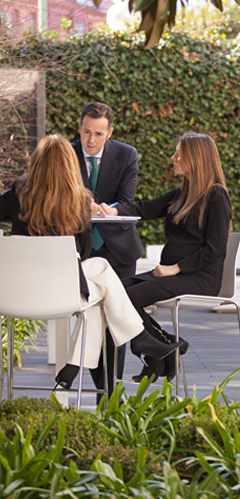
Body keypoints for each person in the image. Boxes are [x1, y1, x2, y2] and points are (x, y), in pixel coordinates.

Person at [0, 134, 184, 391]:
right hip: (65, 293)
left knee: (99, 290)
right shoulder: (78, 200)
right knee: (101, 271)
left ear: (36, 164)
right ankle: (140, 340)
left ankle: (79, 364)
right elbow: (85, 251)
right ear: (69, 165)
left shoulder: (19, 192)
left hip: (20, 293)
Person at [98, 132, 233, 382]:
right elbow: (145, 208)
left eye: (179, 152)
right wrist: (113, 209)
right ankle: (162, 348)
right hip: (174, 273)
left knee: (123, 295)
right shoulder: (183, 192)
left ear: (196, 158)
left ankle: (158, 350)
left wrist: (176, 268)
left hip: (200, 276)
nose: (173, 157)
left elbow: (215, 249)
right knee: (112, 290)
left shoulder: (216, 195)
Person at [72, 102, 143, 398]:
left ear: (109, 133)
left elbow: (127, 200)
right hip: (83, 252)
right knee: (89, 322)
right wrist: (81, 204)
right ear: (79, 128)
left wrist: (109, 209)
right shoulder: (67, 154)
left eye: (98, 134)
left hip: (119, 251)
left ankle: (110, 394)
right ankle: (104, 388)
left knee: (116, 322)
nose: (91, 140)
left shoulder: (126, 154)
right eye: (86, 131)